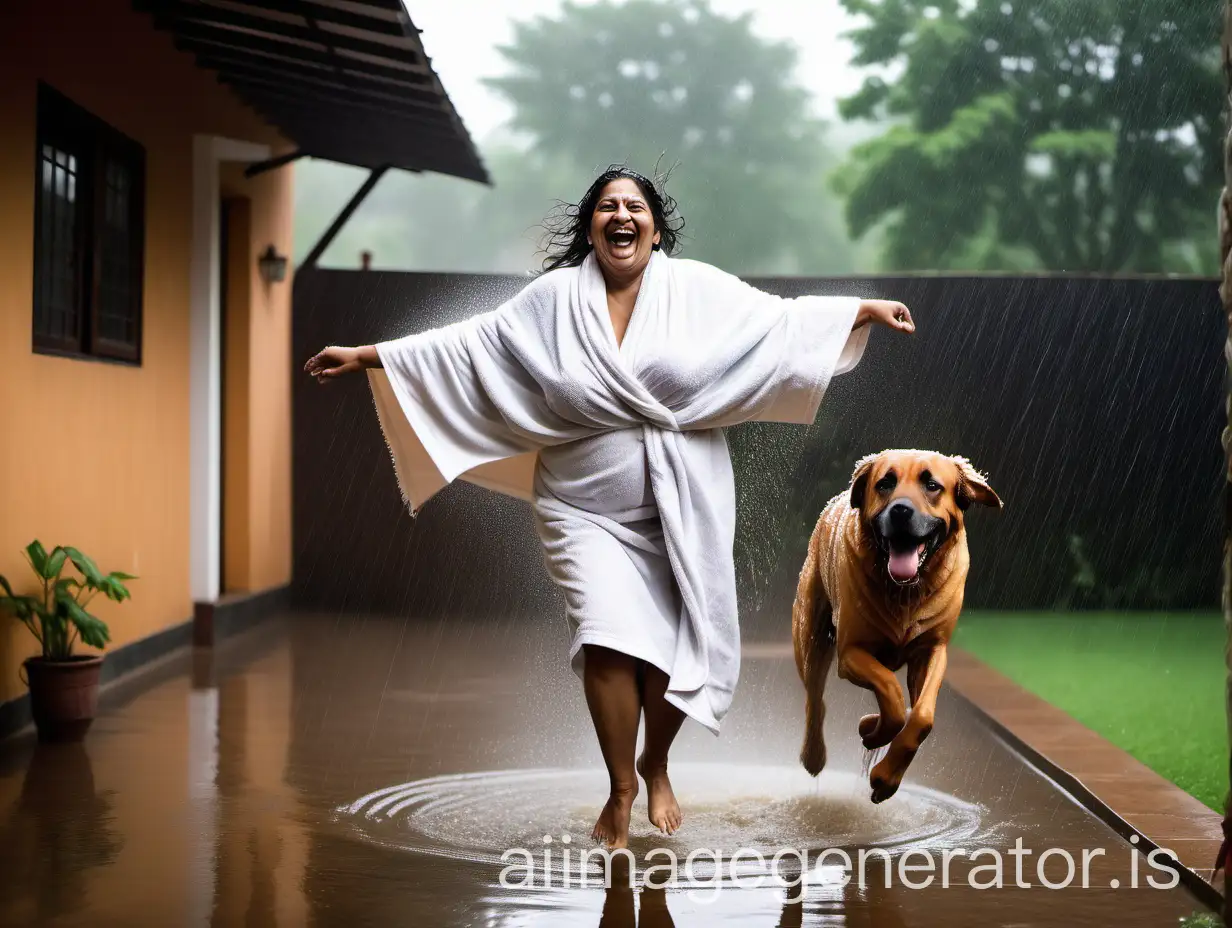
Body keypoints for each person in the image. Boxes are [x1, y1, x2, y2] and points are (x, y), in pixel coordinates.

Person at [304, 167, 915, 849]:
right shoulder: (553, 300)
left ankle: (657, 764)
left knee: (672, 651)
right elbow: (473, 343)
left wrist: (858, 309)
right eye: (607, 206)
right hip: (579, 508)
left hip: (682, 503)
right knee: (606, 636)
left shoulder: (694, 290)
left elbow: (775, 320)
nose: (621, 216)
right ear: (590, 225)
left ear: (655, 228)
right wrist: (366, 357)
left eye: (635, 207)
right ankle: (623, 784)